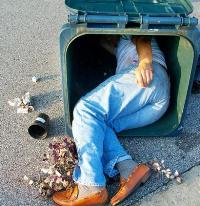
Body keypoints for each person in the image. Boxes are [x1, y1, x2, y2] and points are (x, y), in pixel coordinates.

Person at [52, 35, 170, 206]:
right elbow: (104, 43)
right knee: (98, 124)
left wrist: (145, 61)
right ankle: (129, 169)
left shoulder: (127, 32)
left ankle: (90, 185)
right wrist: (102, 41)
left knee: (85, 110)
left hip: (147, 79)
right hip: (157, 105)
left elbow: (142, 37)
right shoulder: (117, 46)